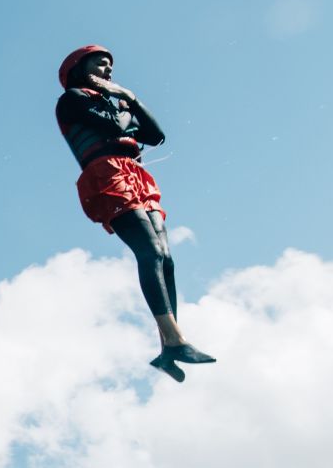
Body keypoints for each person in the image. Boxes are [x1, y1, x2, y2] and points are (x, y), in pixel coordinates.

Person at [55, 45, 215, 381]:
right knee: (150, 251)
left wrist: (131, 97)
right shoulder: (72, 98)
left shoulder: (115, 100)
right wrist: (124, 109)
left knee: (166, 258)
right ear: (80, 68)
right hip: (107, 174)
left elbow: (156, 135)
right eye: (101, 63)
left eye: (111, 65)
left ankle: (171, 341)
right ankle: (173, 339)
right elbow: (115, 128)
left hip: (136, 176)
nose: (109, 69)